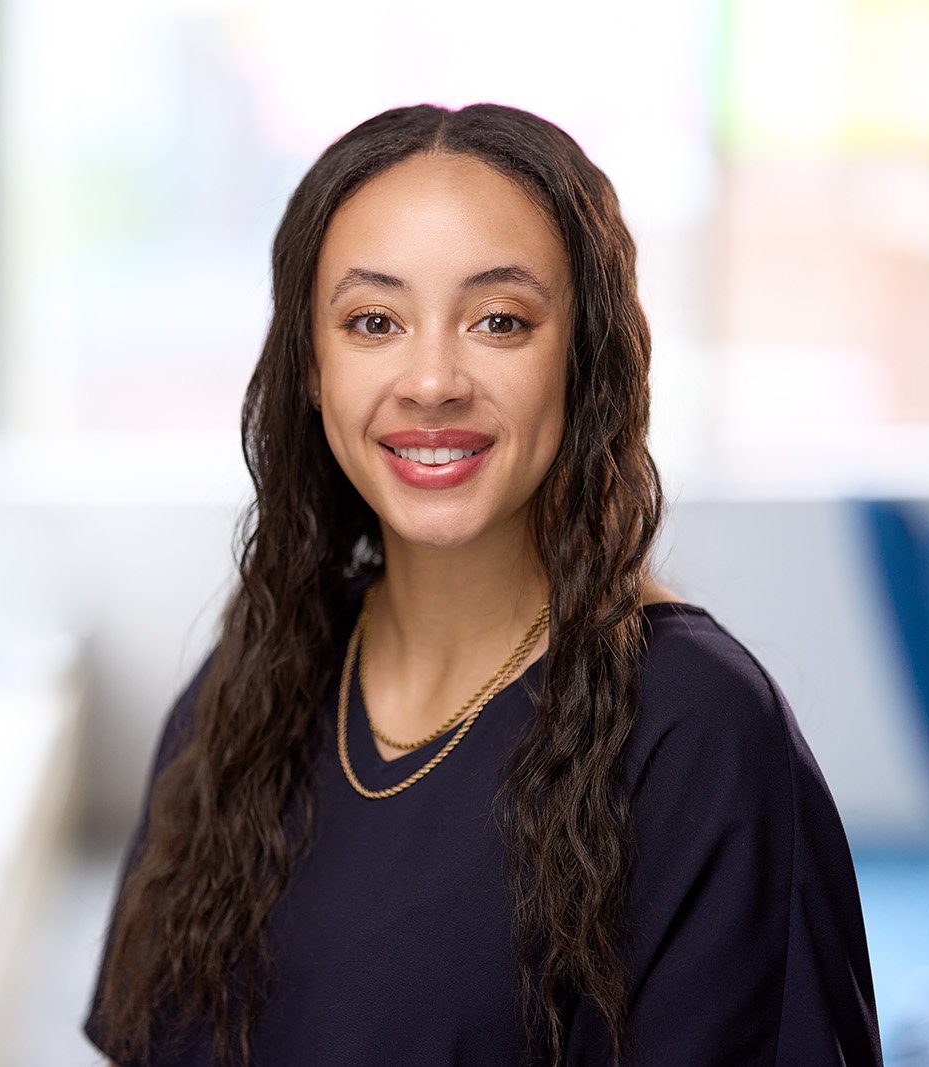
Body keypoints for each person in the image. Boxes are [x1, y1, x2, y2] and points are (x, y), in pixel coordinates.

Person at [83, 103, 882, 1066]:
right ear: (311, 367)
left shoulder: (696, 732)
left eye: (500, 321)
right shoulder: (243, 694)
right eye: (373, 321)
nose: (431, 380)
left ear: (584, 363)